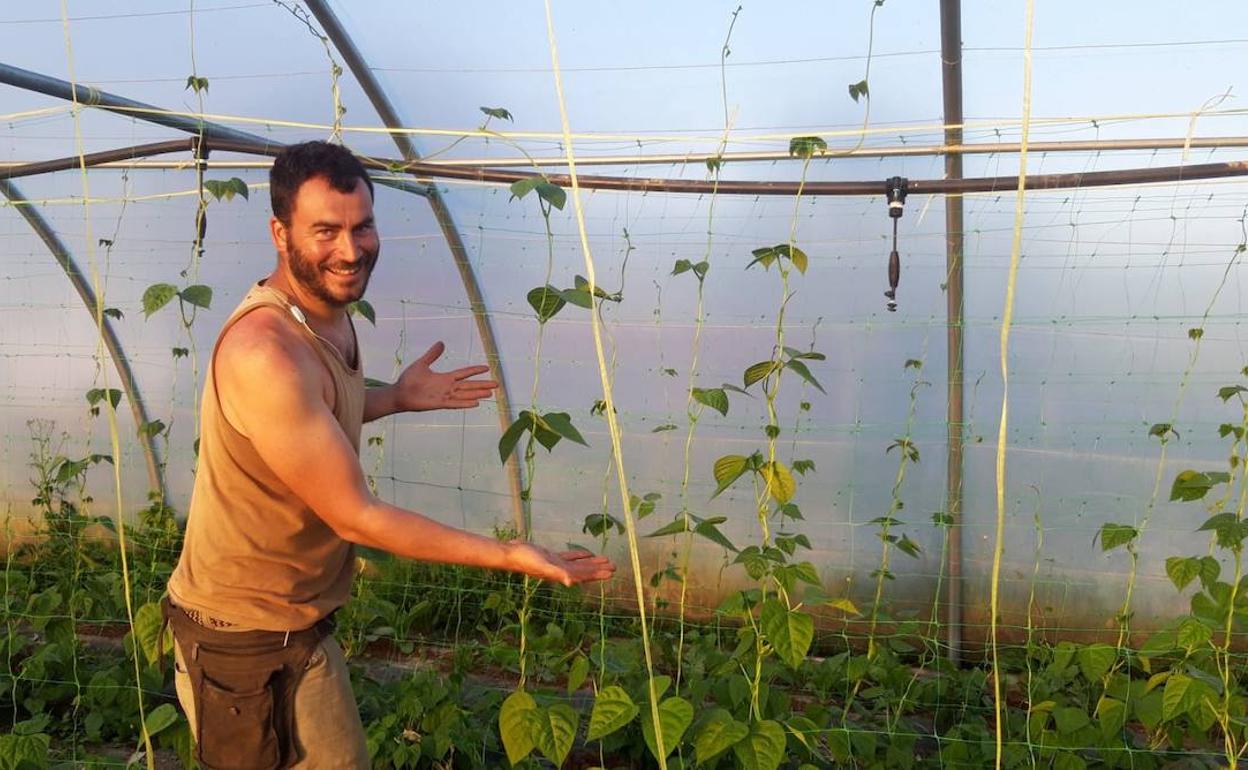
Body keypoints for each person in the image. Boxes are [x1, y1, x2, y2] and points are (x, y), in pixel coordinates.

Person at [164, 140, 614, 769]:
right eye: (325, 231)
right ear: (279, 232)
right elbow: (357, 516)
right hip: (248, 641)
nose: (351, 250)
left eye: (362, 226)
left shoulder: (324, 313)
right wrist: (510, 554)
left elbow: (310, 418)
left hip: (291, 622)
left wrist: (393, 398)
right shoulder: (265, 353)